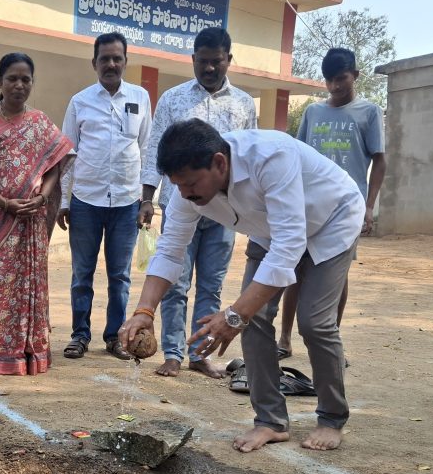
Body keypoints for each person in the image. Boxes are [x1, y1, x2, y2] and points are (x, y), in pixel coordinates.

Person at [121, 120, 364, 453]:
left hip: (332, 221)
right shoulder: (186, 191)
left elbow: (288, 247)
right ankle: (271, 421)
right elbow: (170, 249)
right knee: (254, 320)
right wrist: (144, 311)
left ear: (220, 163)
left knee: (314, 322)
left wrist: (235, 315)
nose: (185, 194)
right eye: (178, 185)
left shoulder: (271, 157)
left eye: (190, 184)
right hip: (271, 232)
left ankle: (332, 418)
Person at [141, 27, 256, 378]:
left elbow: (247, 156)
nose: (209, 68)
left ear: (228, 60)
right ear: (192, 59)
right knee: (175, 281)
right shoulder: (172, 99)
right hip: (181, 203)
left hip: (225, 211)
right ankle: (173, 353)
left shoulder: (244, 103)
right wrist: (147, 197)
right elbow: (155, 148)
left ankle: (198, 353)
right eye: (202, 61)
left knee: (211, 283)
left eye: (216, 61)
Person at [0, 53, 73, 375]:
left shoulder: (40, 122)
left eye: (26, 79)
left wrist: (42, 197)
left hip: (31, 218)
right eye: (12, 78)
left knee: (28, 281)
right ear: (0, 81)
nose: (19, 85)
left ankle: (28, 353)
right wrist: (3, 202)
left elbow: (55, 166)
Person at [277, 47, 386, 360]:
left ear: (355, 75)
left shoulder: (369, 112)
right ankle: (284, 338)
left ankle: (329, 342)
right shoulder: (313, 112)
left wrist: (369, 206)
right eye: (329, 80)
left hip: (346, 210)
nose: (335, 86)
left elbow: (380, 161)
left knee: (337, 275)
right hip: (308, 205)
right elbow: (295, 155)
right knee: (296, 269)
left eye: (341, 78)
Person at [57, 32, 153, 361]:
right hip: (86, 201)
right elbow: (68, 155)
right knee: (81, 274)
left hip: (126, 203)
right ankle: (79, 335)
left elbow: (146, 150)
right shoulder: (80, 101)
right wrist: (64, 201)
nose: (111, 64)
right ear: (94, 63)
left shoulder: (140, 98)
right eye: (104, 59)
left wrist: (146, 199)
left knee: (120, 276)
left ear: (125, 61)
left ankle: (114, 337)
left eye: (117, 58)